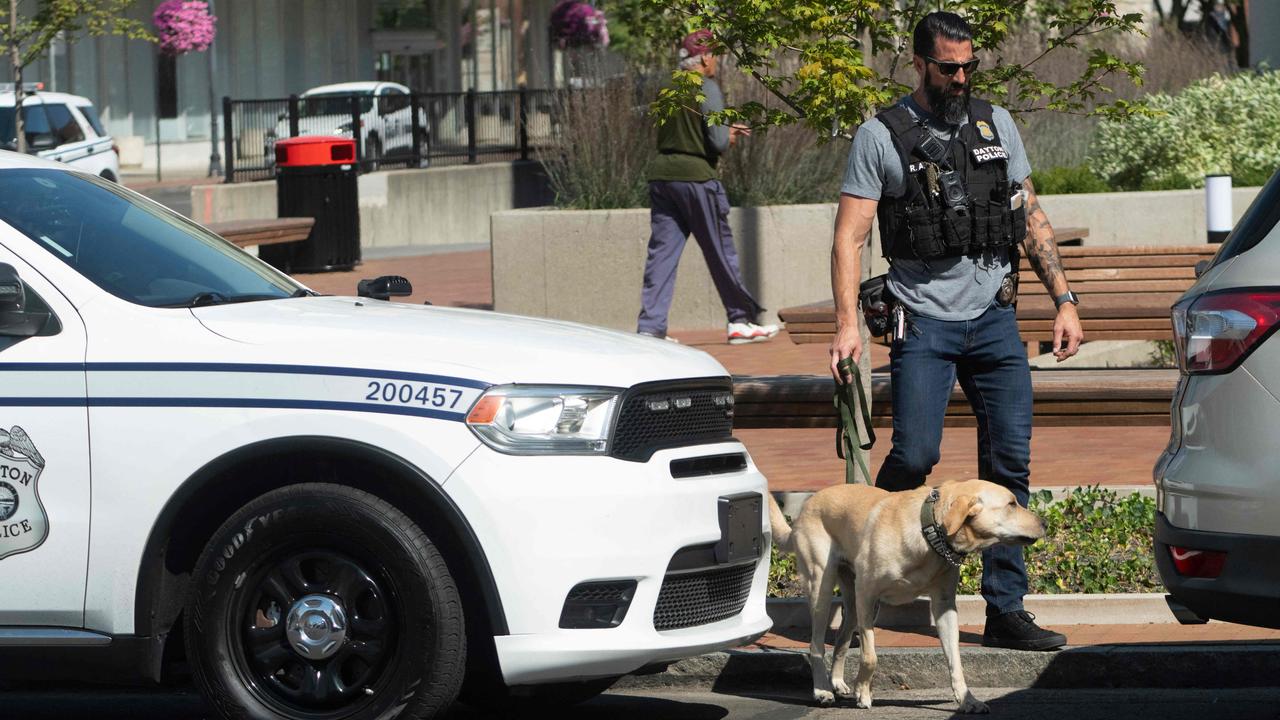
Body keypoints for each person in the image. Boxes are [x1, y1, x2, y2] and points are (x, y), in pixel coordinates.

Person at [830, 11, 1084, 651]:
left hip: (995, 321)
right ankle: (863, 568)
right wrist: (846, 327)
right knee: (915, 455)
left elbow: (1029, 214)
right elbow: (849, 238)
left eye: (970, 65)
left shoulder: (996, 123)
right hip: (924, 320)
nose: (962, 76)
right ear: (919, 64)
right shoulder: (880, 135)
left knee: (1009, 465)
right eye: (949, 67)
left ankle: (1005, 612)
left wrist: (1064, 300)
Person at [637, 29, 780, 345]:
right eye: (715, 55)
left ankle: (650, 327)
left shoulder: (666, 88)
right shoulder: (707, 87)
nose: (717, 61)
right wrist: (728, 135)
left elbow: (678, 132)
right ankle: (740, 321)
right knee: (720, 251)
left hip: (662, 178)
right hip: (698, 179)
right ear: (703, 58)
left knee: (661, 255)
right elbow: (716, 141)